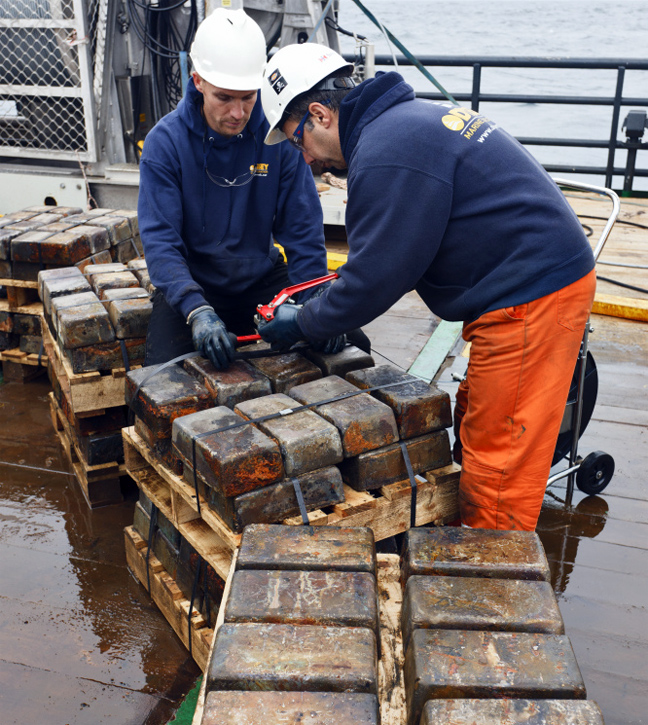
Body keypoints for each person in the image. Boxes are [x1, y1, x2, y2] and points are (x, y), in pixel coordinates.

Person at [257, 43, 597, 532]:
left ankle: (492, 585)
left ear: (318, 114)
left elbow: (376, 276)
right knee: (479, 422)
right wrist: (333, 310)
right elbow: (391, 259)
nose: (304, 158)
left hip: (532, 295)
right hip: (524, 283)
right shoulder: (404, 123)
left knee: (498, 471)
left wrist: (307, 321)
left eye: (297, 140)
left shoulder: (387, 152)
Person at [138, 9, 351, 370]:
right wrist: (196, 310)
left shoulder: (278, 137)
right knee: (160, 374)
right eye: (224, 98)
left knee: (348, 344)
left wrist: (315, 303)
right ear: (198, 81)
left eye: (248, 97)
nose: (238, 113)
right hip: (197, 285)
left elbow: (301, 230)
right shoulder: (165, 143)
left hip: (263, 280)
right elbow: (160, 241)